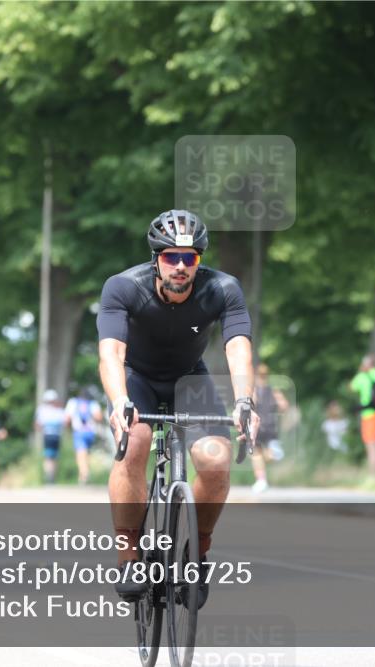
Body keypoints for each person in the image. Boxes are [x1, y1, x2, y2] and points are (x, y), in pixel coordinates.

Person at [97, 209, 259, 606]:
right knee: (134, 443)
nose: (181, 266)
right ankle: (129, 556)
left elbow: (238, 348)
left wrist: (244, 401)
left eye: (190, 257)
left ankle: (196, 553)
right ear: (157, 259)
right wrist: (119, 401)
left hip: (189, 378)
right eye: (172, 257)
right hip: (137, 377)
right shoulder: (124, 287)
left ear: (199, 260)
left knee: (216, 460)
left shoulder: (223, 288)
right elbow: (111, 353)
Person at [250, 363, 289, 492]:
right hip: (271, 426)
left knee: (256, 454)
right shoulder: (274, 391)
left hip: (257, 426)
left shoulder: (253, 391)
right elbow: (284, 406)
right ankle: (273, 455)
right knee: (264, 454)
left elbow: (250, 405)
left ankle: (261, 480)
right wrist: (278, 413)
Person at [65, 387, 104, 485]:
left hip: (78, 432)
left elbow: (67, 419)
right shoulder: (93, 404)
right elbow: (99, 417)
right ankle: (84, 473)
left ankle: (84, 474)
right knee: (87, 453)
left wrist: (68, 428)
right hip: (90, 432)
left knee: (80, 453)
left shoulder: (73, 402)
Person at [36, 390, 66, 484]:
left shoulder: (42, 410)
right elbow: (64, 423)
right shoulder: (59, 410)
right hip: (54, 435)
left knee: (50, 456)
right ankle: (51, 476)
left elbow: (38, 424)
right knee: (52, 456)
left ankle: (50, 475)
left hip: (49, 435)